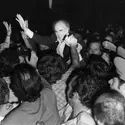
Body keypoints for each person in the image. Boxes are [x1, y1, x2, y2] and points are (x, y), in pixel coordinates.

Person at [16, 14, 82, 67]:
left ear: (67, 29)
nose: (58, 34)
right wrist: (26, 30)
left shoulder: (74, 37)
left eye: (60, 30)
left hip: (77, 65)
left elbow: (79, 43)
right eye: (56, 31)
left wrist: (75, 46)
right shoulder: (55, 36)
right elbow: (42, 39)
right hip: (62, 64)